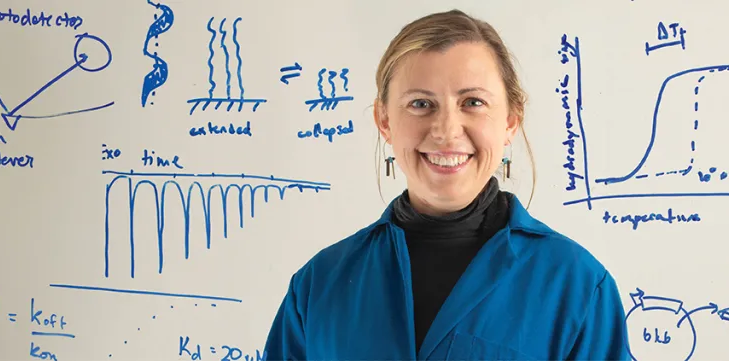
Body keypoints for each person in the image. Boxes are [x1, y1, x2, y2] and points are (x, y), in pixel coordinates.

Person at [264, 9, 629, 361]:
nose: (446, 130)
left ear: (510, 122)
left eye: (473, 102)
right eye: (421, 103)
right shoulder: (319, 285)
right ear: (385, 120)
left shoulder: (576, 286)